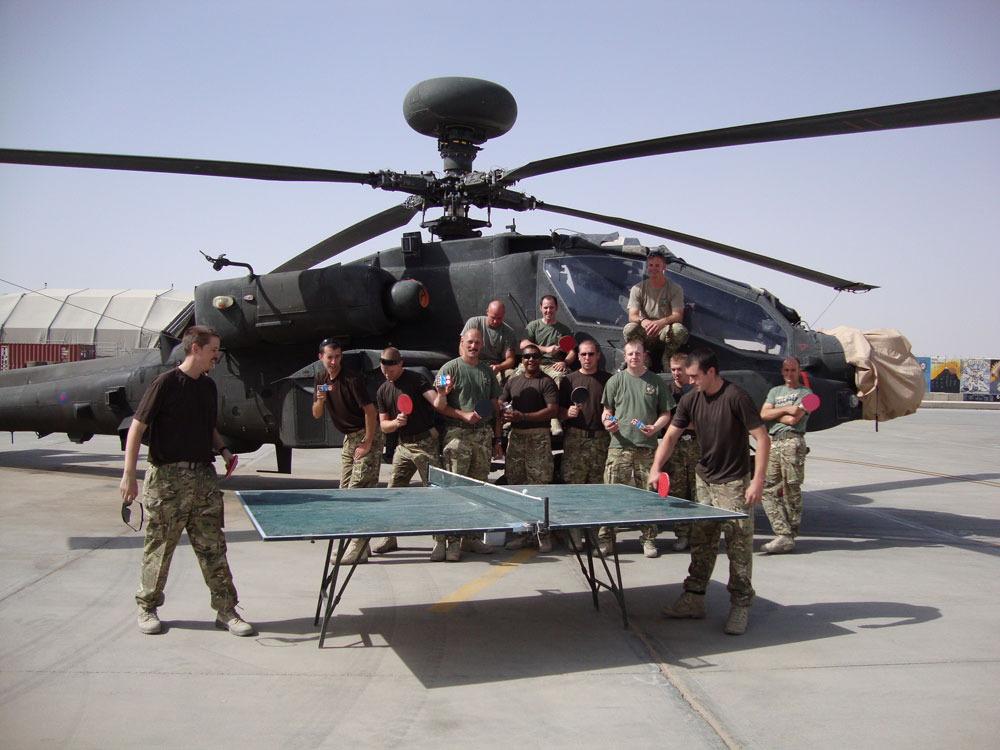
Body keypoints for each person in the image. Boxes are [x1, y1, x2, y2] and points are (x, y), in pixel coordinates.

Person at [120, 325, 253, 637]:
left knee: (213, 547)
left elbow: (208, 428)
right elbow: (137, 428)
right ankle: (147, 606)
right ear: (195, 348)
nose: (217, 356)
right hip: (166, 478)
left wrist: (223, 449)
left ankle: (226, 610)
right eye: (213, 350)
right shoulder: (165, 384)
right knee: (160, 545)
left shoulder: (207, 387)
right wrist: (129, 475)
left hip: (203, 478)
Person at [648, 348, 770, 636]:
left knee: (738, 548)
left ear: (711, 372)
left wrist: (757, 482)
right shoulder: (690, 399)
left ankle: (740, 605)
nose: (690, 381)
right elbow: (671, 437)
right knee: (702, 542)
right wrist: (655, 468)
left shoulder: (736, 398)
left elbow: (763, 439)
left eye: (695, 376)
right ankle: (694, 599)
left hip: (734, 483)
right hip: (704, 480)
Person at [433, 327, 504, 561]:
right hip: (457, 436)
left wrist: (497, 440)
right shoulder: (448, 369)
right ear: (462, 341)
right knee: (455, 491)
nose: (473, 346)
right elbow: (439, 404)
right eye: (470, 342)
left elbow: (495, 408)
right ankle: (452, 542)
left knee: (478, 491)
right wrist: (462, 414)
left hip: (482, 437)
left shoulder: (486, 372)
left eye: (477, 343)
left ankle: (471, 538)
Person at [312, 337, 385, 564]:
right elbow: (315, 413)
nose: (333, 361)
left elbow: (370, 412)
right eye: (329, 357)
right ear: (321, 358)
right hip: (348, 441)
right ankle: (360, 542)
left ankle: (358, 548)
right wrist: (321, 401)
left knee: (359, 492)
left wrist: (368, 442)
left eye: (337, 357)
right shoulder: (321, 379)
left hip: (366, 435)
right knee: (345, 493)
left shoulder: (352, 379)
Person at [600, 338, 674, 558]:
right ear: (625, 357)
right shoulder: (615, 381)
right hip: (619, 446)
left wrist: (655, 428)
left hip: (646, 448)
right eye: (630, 354)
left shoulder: (656, 382)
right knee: (612, 494)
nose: (634, 357)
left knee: (649, 495)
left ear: (645, 356)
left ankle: (649, 539)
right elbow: (606, 410)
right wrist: (607, 422)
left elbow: (666, 414)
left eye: (638, 354)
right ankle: (606, 539)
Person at [374, 346, 445, 555]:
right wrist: (395, 423)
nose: (388, 374)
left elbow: (437, 404)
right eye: (384, 370)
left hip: (425, 444)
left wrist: (441, 394)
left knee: (436, 493)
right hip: (403, 446)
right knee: (393, 492)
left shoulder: (417, 379)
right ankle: (389, 537)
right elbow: (383, 425)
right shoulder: (382, 391)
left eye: (391, 370)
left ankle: (440, 541)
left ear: (400, 364)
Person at [501, 343, 559, 551]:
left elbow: (552, 410)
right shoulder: (512, 381)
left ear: (540, 359)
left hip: (538, 439)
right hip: (516, 439)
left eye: (535, 356)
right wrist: (504, 410)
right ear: (521, 360)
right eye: (527, 357)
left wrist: (523, 416)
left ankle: (543, 534)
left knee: (540, 488)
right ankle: (524, 533)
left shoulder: (547, 382)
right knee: (518, 488)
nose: (531, 360)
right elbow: (501, 402)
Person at [558, 338, 611, 550]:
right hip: (575, 441)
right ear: (577, 356)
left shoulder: (609, 380)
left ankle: (596, 537)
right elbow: (558, 410)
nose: (587, 358)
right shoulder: (568, 380)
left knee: (598, 492)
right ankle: (574, 535)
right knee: (574, 490)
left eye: (590, 354)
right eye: (583, 354)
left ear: (598, 355)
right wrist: (566, 413)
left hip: (600, 441)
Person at [759, 357, 813, 554]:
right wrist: (786, 409)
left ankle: (790, 535)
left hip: (793, 441)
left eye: (793, 370)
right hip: (775, 442)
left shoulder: (806, 394)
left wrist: (776, 412)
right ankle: (782, 532)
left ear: (799, 371)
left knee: (792, 489)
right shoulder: (775, 391)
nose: (789, 374)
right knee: (767, 488)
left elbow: (792, 420)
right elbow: (763, 415)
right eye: (786, 370)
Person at [623, 249, 689, 370]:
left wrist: (660, 323)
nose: (653, 268)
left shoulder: (674, 289)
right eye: (651, 265)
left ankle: (668, 357)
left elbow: (678, 315)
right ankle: (643, 356)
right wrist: (644, 321)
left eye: (657, 265)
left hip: (664, 332)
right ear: (647, 267)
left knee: (678, 330)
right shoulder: (638, 289)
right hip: (646, 331)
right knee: (629, 329)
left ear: (663, 266)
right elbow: (632, 315)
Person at [520, 295, 576, 434]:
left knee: (560, 378)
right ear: (540, 308)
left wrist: (565, 362)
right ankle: (514, 415)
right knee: (517, 377)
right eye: (545, 307)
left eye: (551, 307)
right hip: (534, 361)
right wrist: (546, 349)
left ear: (556, 308)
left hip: (553, 364)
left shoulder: (563, 329)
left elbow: (572, 352)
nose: (548, 310)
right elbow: (523, 344)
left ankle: (554, 418)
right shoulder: (534, 326)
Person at [664, 352, 701, 552]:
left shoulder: (697, 391)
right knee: (678, 491)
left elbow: (702, 422)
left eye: (680, 369)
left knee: (698, 491)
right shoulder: (667, 390)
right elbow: (667, 421)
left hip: (695, 446)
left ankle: (698, 534)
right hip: (676, 447)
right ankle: (682, 534)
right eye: (673, 370)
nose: (677, 373)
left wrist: (681, 425)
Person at [462, 300, 517, 382]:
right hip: (472, 362)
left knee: (514, 378)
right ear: (487, 311)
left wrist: (498, 367)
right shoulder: (474, 323)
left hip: (494, 366)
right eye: (493, 317)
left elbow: (510, 360)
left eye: (499, 318)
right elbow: (461, 344)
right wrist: (468, 361)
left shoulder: (508, 332)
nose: (495, 321)